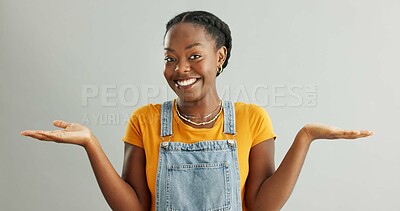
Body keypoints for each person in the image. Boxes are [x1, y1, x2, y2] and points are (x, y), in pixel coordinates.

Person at [20, 11, 373, 211]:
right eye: (170, 59)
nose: (181, 69)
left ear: (219, 58)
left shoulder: (252, 119)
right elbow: (135, 209)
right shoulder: (145, 120)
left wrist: (305, 137)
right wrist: (91, 145)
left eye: (194, 56)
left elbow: (260, 206)